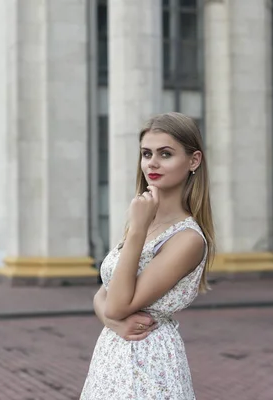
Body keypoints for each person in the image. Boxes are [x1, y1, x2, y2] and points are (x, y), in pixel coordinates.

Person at [80, 112, 216, 399]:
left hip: (150, 362)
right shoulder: (143, 221)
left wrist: (138, 230)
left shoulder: (188, 239)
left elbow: (116, 304)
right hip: (112, 356)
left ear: (194, 160)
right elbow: (101, 296)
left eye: (165, 154)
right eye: (146, 153)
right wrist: (114, 323)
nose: (152, 162)